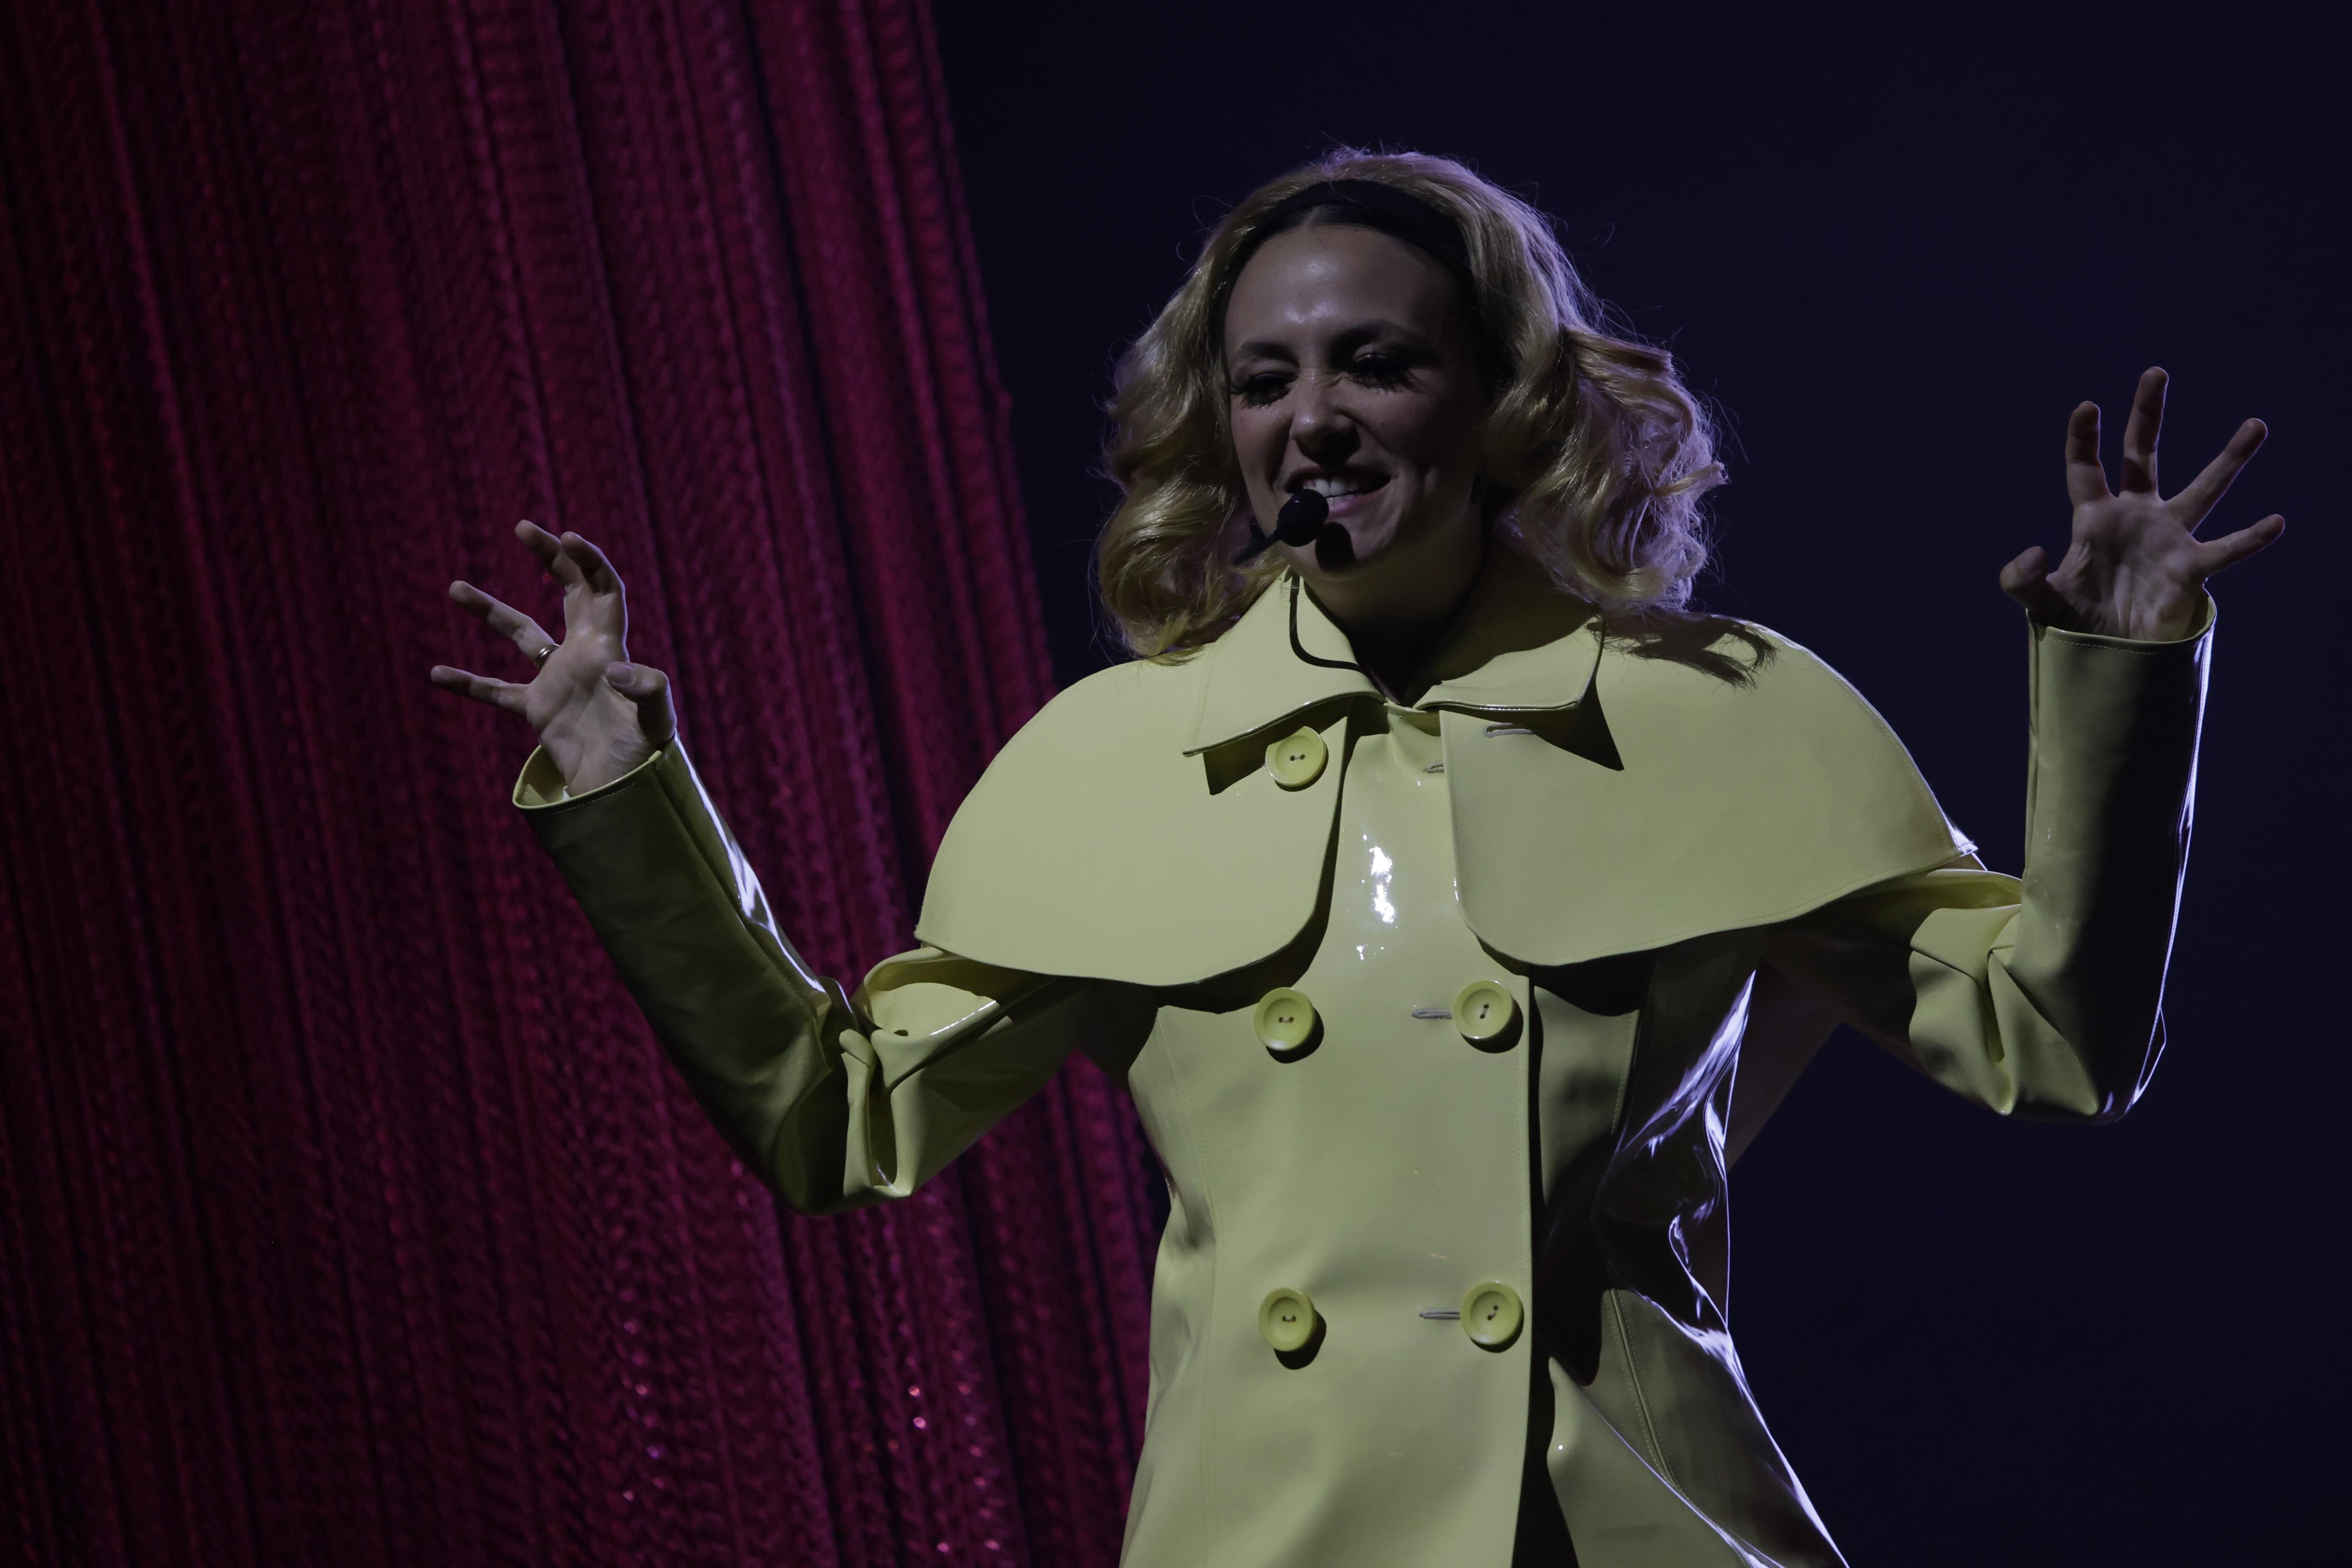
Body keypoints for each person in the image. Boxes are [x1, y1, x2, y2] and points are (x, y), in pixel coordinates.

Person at [430, 151, 2282, 1567]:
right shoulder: (1103, 766)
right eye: (1261, 378)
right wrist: (624, 783)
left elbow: (2052, 1042)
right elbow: (835, 1116)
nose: (1307, 415)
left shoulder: (1726, 716)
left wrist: (2120, 679)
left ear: (1502, 404)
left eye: (1375, 363)